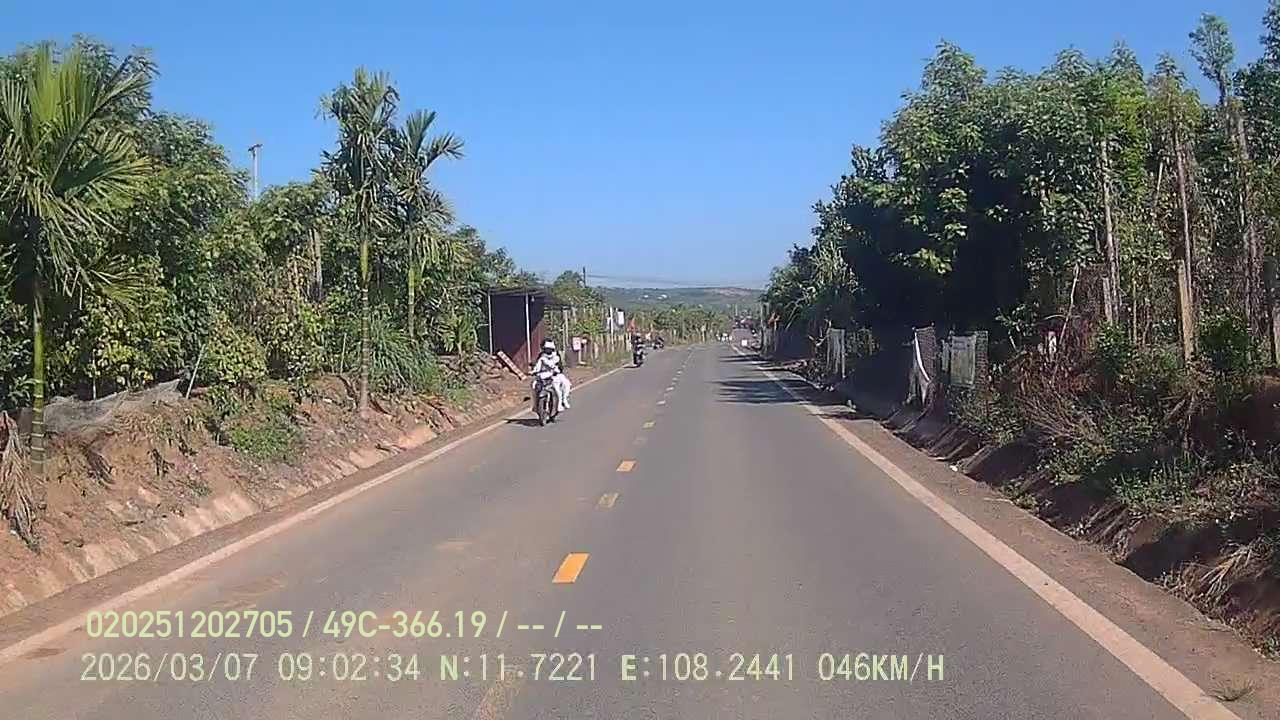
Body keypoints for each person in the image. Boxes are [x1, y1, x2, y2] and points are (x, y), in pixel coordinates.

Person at [532, 339, 571, 411]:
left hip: (555, 375)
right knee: (534, 386)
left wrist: (557, 370)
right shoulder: (541, 356)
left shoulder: (556, 356)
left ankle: (563, 400)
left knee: (565, 384)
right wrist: (534, 371)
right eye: (546, 349)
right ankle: (535, 405)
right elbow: (537, 365)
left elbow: (560, 366)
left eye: (549, 349)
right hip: (543, 375)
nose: (548, 350)